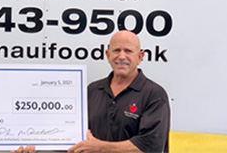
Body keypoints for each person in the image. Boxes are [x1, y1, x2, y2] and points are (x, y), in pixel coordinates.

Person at [13, 30, 170, 153]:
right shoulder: (92, 90)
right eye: (116, 50)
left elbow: (151, 147)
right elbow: (71, 137)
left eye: (128, 51)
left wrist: (99, 148)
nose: (121, 56)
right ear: (108, 55)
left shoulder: (154, 95)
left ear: (140, 56)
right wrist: (37, 144)